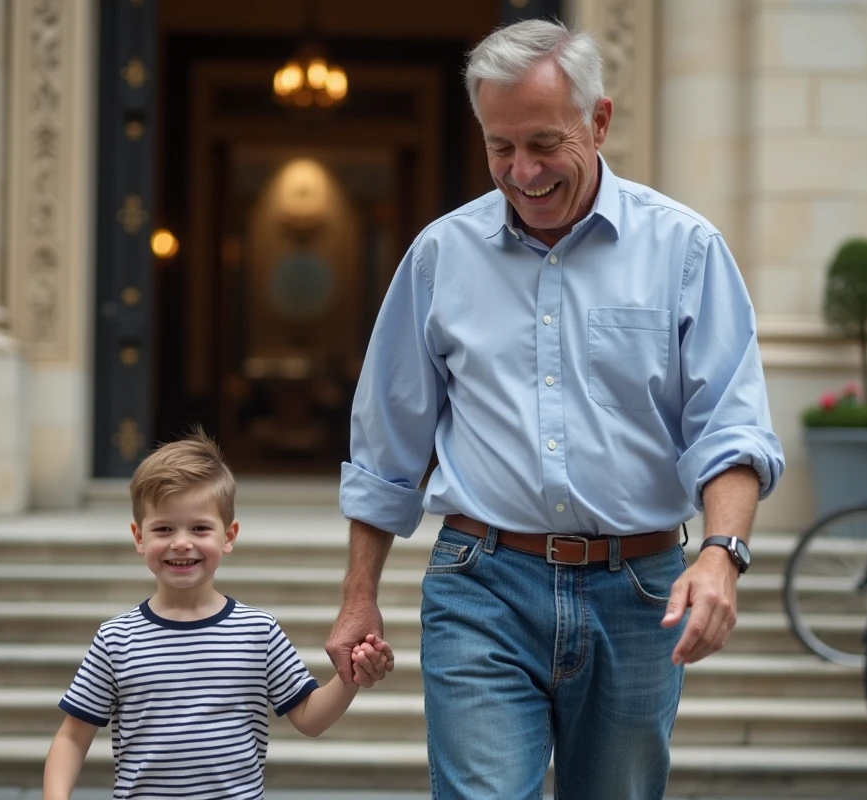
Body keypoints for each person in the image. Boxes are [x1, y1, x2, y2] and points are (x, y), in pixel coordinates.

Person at [326, 18, 785, 800]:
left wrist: (721, 554)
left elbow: (732, 427)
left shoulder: (686, 251)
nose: (523, 171)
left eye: (544, 143)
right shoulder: (440, 257)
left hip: (640, 591)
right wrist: (358, 596)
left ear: (599, 121)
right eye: (500, 147)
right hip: (483, 584)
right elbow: (386, 445)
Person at [44, 429, 393, 800]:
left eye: (199, 528)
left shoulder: (258, 632)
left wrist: (351, 676)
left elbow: (309, 717)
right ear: (139, 536)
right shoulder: (116, 639)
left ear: (228, 536)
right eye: (163, 528)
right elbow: (72, 736)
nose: (181, 541)